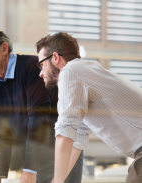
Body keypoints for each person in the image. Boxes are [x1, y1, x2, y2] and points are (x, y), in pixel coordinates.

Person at [0, 26, 82, 183]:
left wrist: (30, 169)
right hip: (33, 162)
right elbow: (3, 136)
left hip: (59, 158)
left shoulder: (33, 68)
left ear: (4, 48)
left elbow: (39, 120)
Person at [36, 32, 142, 183]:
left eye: (41, 65)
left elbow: (65, 132)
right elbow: (76, 140)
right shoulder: (85, 73)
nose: (41, 73)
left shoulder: (70, 71)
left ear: (55, 57)